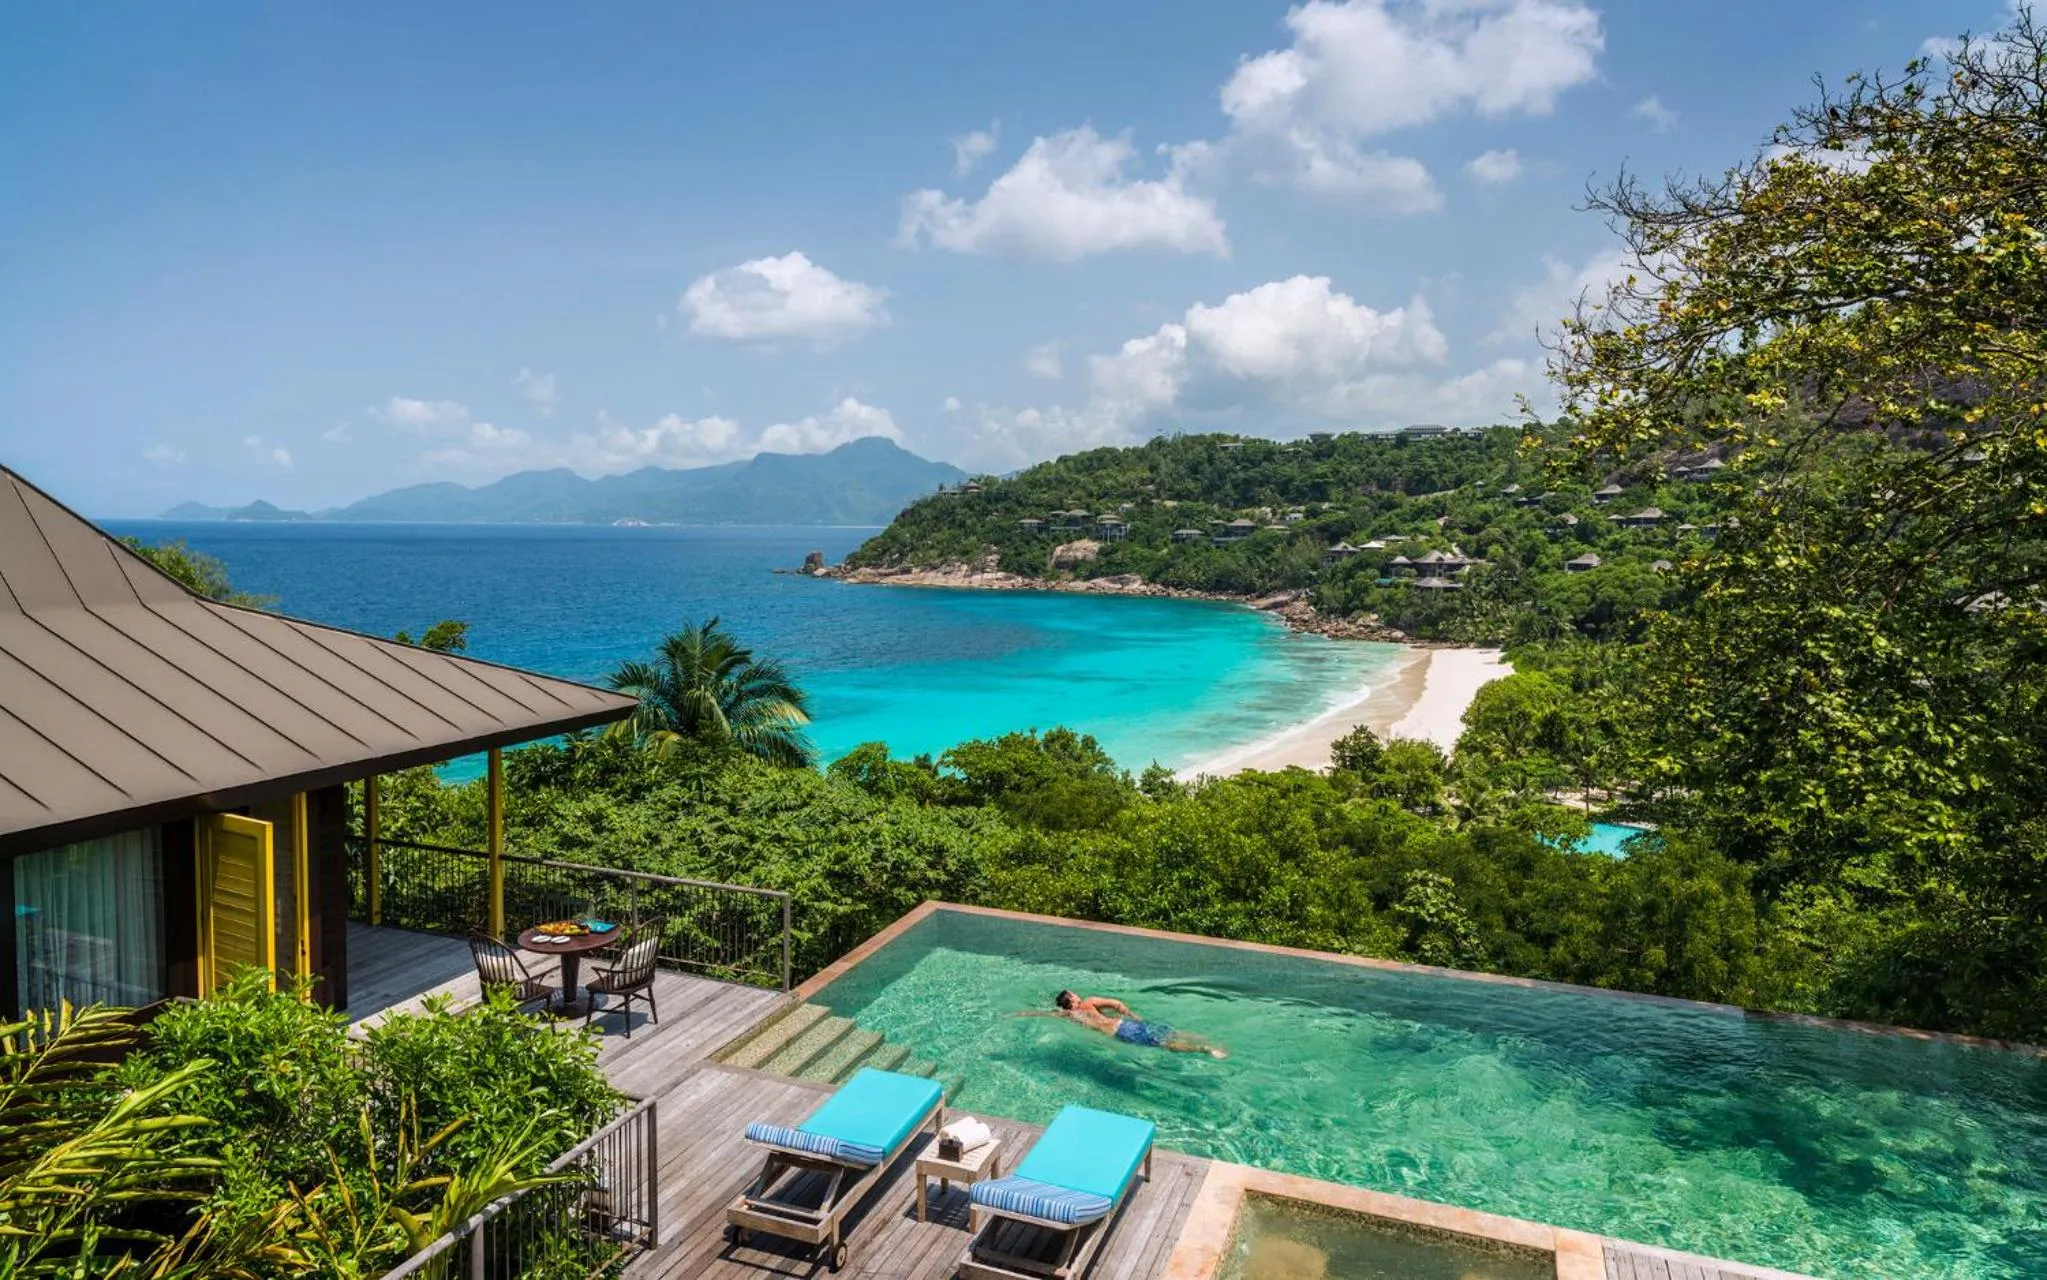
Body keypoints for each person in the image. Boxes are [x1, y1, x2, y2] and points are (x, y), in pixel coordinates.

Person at [1019, 990, 1227, 1058]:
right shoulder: (1089, 1002)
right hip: (1125, 1024)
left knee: (1165, 1044)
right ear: (1073, 999)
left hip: (1121, 1033)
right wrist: (1132, 1015)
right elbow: (1116, 1004)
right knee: (1168, 1034)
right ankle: (1202, 1042)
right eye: (1074, 994)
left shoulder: (1069, 1016)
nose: (1077, 994)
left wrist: (1020, 1013)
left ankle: (1203, 1048)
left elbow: (1041, 1013)